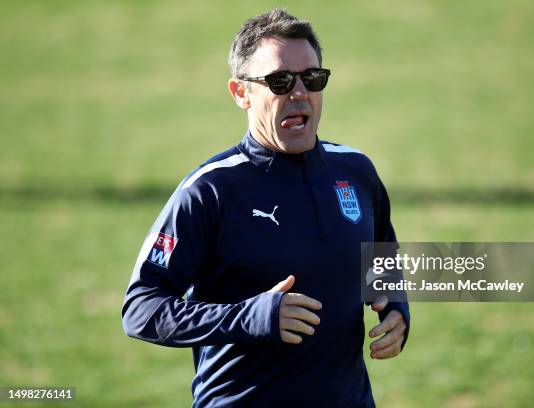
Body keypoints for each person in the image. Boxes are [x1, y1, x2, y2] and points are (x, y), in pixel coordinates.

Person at [121, 8, 409, 407]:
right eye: (279, 81)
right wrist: (249, 317)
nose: (298, 93)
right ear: (241, 93)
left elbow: (381, 250)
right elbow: (140, 309)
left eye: (312, 78)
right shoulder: (211, 191)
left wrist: (395, 305)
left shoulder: (355, 170)